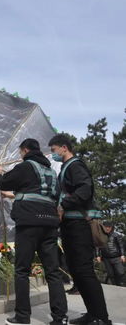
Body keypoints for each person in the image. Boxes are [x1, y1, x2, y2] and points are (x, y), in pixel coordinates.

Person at [0, 138, 68, 325]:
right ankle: (60, 317)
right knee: (53, 272)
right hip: (49, 224)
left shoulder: (25, 166)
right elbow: (47, 194)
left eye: (20, 153)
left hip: (29, 224)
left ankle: (23, 317)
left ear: (25, 150)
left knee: (22, 270)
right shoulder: (50, 171)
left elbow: (3, 182)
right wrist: (17, 195)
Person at [49, 134, 112, 325]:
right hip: (69, 225)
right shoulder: (66, 168)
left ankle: (101, 317)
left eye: (54, 150)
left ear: (64, 147)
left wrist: (63, 205)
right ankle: (92, 314)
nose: (53, 155)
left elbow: (85, 190)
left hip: (79, 226)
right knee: (76, 271)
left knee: (84, 271)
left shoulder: (76, 165)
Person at [96, 221, 125, 286]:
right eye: (106, 227)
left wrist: (122, 255)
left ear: (111, 228)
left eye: (109, 227)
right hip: (106, 258)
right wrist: (98, 255)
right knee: (110, 274)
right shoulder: (100, 236)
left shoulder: (116, 235)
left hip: (116, 257)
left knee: (120, 272)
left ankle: (121, 285)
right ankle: (114, 286)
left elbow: (121, 246)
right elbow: (97, 246)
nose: (107, 228)